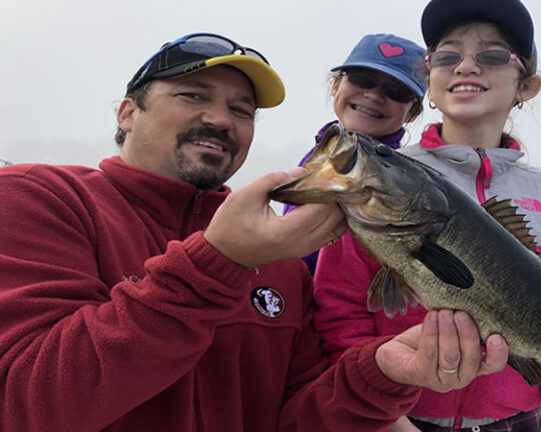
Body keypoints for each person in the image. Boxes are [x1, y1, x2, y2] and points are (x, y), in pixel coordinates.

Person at [0, 32, 511, 432]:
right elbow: (22, 405)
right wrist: (218, 261)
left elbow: (298, 419)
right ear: (128, 112)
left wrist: (381, 374)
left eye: (241, 111)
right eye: (192, 95)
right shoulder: (38, 197)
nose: (220, 119)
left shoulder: (280, 262)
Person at [313, 1, 541, 431]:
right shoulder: (384, 184)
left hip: (517, 420)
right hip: (397, 418)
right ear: (428, 82)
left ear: (528, 86)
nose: (467, 67)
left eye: (491, 56)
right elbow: (340, 310)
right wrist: (383, 412)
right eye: (448, 56)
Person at [283, 33, 426, 275]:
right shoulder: (326, 149)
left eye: (397, 92)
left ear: (412, 114)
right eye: (362, 79)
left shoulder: (404, 183)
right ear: (336, 85)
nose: (374, 95)